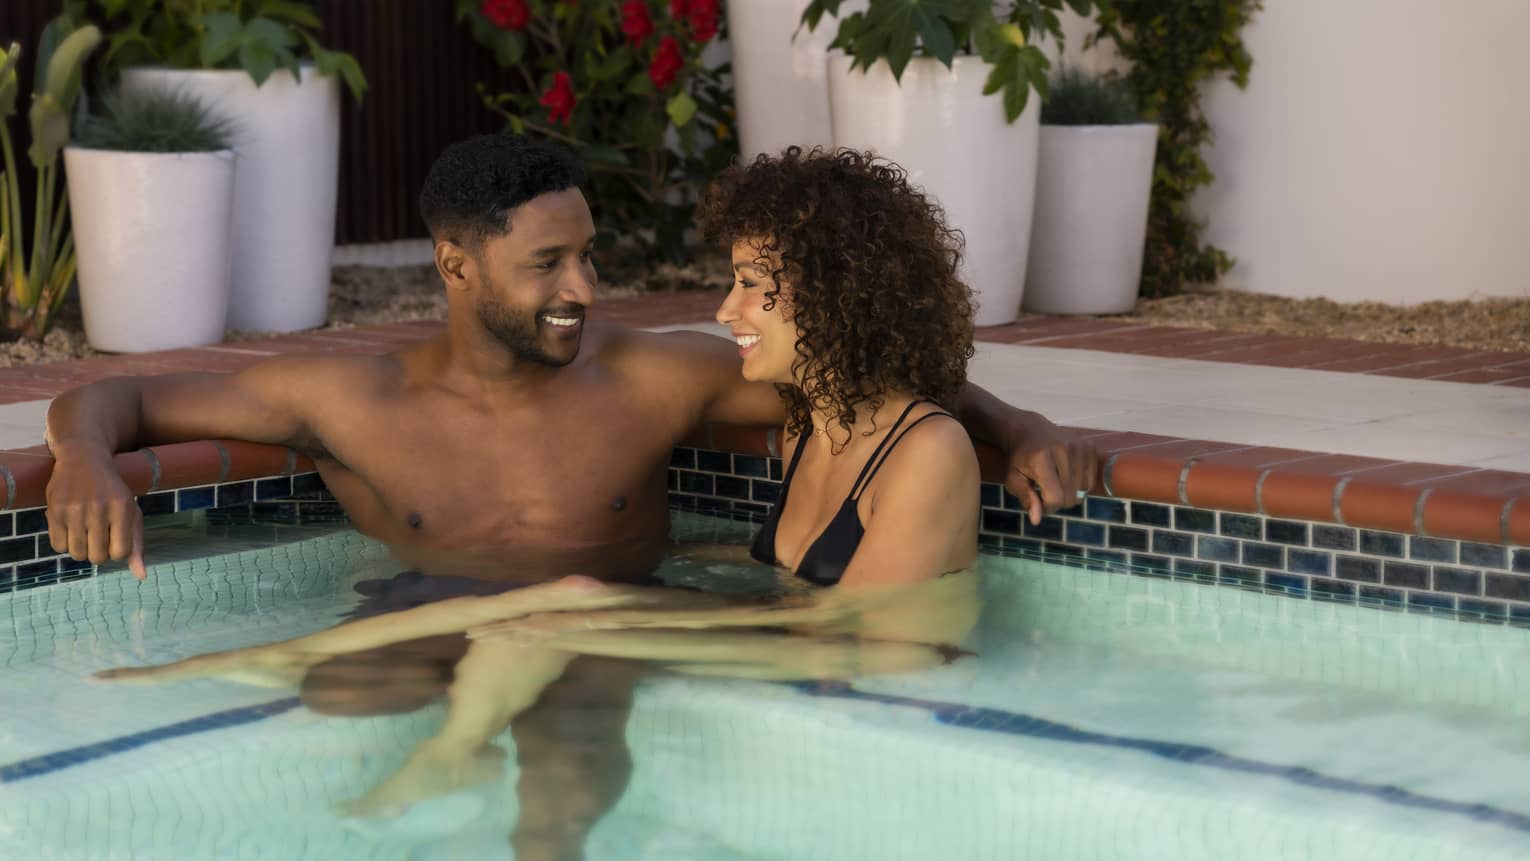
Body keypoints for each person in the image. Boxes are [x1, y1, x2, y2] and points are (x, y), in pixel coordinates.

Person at [63, 134, 1096, 855]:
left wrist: (1019, 427)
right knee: (348, 699)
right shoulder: (352, 398)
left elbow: (866, 356)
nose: (584, 292)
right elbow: (126, 395)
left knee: (563, 743)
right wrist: (84, 459)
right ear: (457, 267)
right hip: (441, 620)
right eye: (547, 264)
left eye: (588, 256)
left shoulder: (653, 378)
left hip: (621, 633)